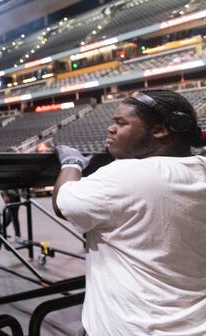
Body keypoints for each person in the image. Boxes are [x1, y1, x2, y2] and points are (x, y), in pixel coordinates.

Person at [52, 89, 206, 336]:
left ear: (159, 130)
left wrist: (72, 163)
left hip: (132, 328)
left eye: (121, 123)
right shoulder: (201, 167)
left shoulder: (126, 174)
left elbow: (62, 203)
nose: (110, 129)